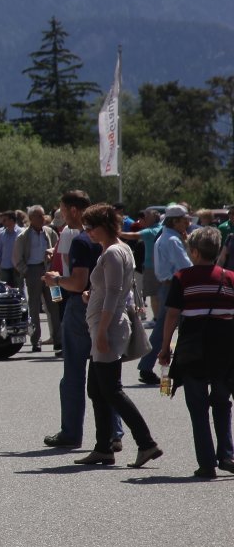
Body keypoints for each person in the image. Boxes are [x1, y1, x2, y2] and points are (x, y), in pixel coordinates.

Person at [72, 203, 161, 468]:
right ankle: (104, 447)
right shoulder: (120, 249)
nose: (88, 231)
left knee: (111, 389)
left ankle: (146, 443)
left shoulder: (112, 252)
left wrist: (102, 331)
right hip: (106, 324)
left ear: (105, 226)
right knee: (97, 389)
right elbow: (115, 290)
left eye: (91, 227)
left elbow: (113, 294)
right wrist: (91, 296)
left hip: (108, 327)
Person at [43, 191, 120, 450]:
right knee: (106, 374)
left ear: (74, 210)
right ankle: (114, 433)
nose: (62, 215)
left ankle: (71, 432)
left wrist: (56, 280)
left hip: (81, 306)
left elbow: (78, 283)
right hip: (106, 306)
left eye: (63, 210)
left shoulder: (80, 241)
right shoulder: (109, 242)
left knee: (74, 373)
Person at [156, 226, 234, 478]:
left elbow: (172, 314)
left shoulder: (183, 277)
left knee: (197, 406)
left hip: (193, 349)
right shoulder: (230, 278)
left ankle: (206, 463)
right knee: (222, 402)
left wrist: (165, 347)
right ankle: (227, 455)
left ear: (195, 252)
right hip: (225, 350)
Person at [143, 204, 192, 384]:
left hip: (168, 286)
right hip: (174, 286)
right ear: (175, 221)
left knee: (163, 329)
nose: (187, 223)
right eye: (184, 220)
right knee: (172, 329)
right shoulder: (172, 240)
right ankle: (170, 368)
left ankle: (148, 365)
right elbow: (186, 267)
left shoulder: (166, 237)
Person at [14, 205, 59, 353]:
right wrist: (26, 271)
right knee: (34, 308)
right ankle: (36, 341)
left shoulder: (50, 232)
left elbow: (58, 249)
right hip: (33, 271)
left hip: (50, 271)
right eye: (39, 216)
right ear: (31, 218)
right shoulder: (23, 236)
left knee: (55, 304)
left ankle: (58, 340)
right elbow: (17, 258)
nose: (42, 218)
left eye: (43, 215)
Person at [0, 212, 21, 285]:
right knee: (4, 288)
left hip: (18, 268)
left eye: (4, 220)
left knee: (19, 289)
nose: (2, 222)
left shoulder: (22, 232)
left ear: (11, 220)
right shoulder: (0, 233)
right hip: (4, 267)